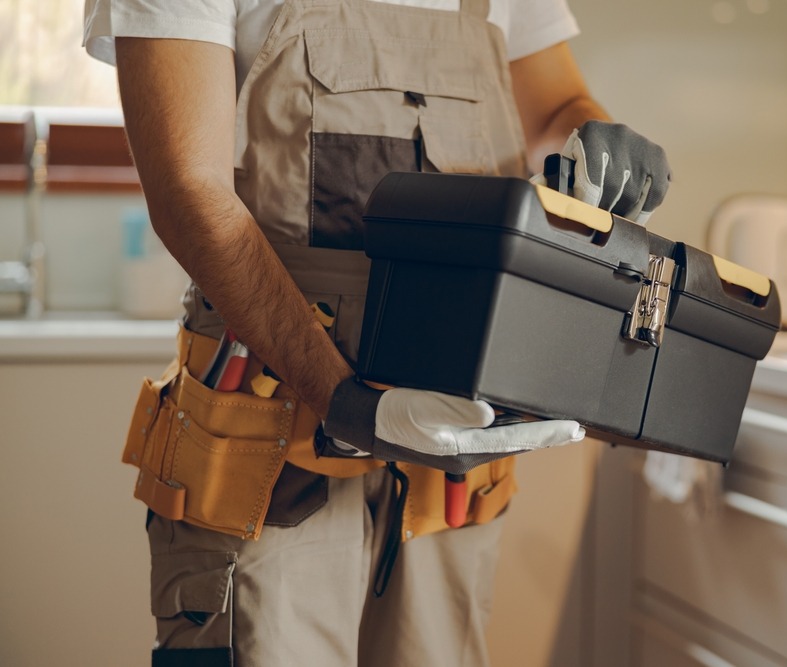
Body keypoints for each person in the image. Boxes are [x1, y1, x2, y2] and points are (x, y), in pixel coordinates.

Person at [84, 1, 670, 664]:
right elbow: (190, 189)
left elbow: (554, 104)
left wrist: (590, 131)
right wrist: (346, 401)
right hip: (269, 446)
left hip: (448, 454)